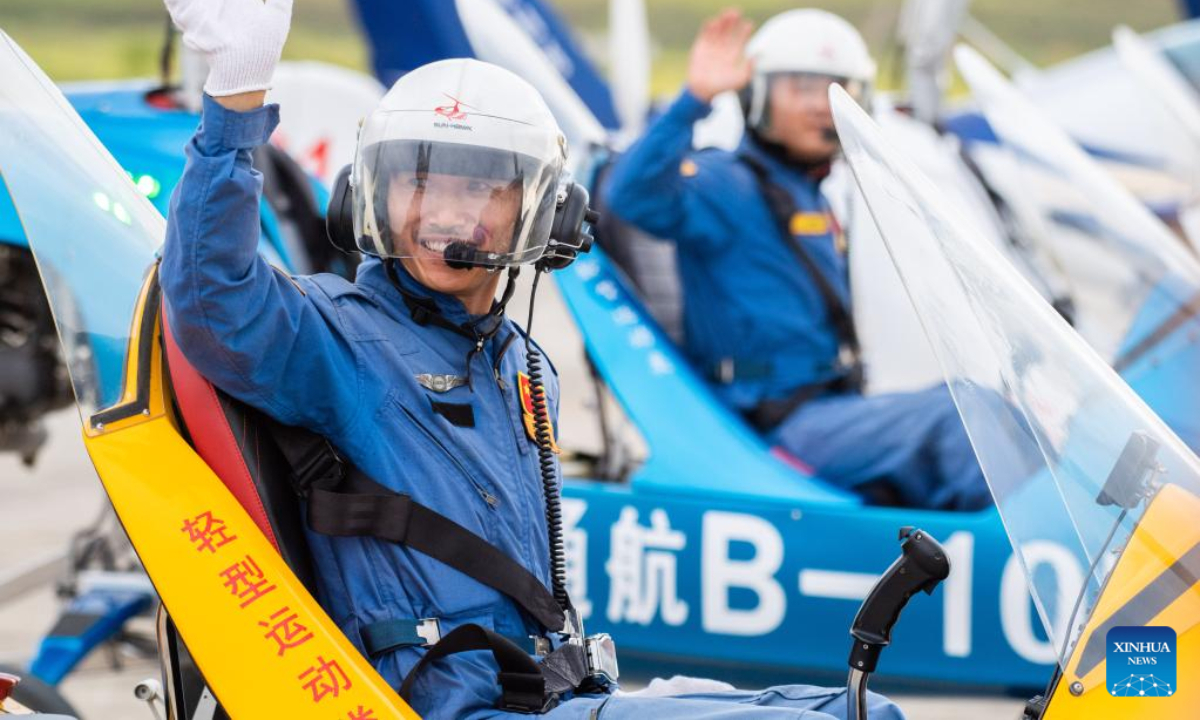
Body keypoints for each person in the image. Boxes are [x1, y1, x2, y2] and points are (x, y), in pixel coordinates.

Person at [159, 0, 906, 718]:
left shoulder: (520, 362)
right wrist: (233, 105)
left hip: (543, 692)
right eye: (417, 182)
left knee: (862, 709)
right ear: (369, 197)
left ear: (546, 213)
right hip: (458, 707)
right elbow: (210, 299)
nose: (444, 212)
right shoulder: (333, 337)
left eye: (480, 186)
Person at [604, 8, 990, 510]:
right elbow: (630, 195)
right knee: (961, 425)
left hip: (829, 409)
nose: (821, 106)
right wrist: (694, 101)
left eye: (836, 89)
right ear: (758, 96)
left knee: (975, 401)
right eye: (803, 87)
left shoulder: (812, 195)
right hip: (776, 427)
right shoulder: (727, 184)